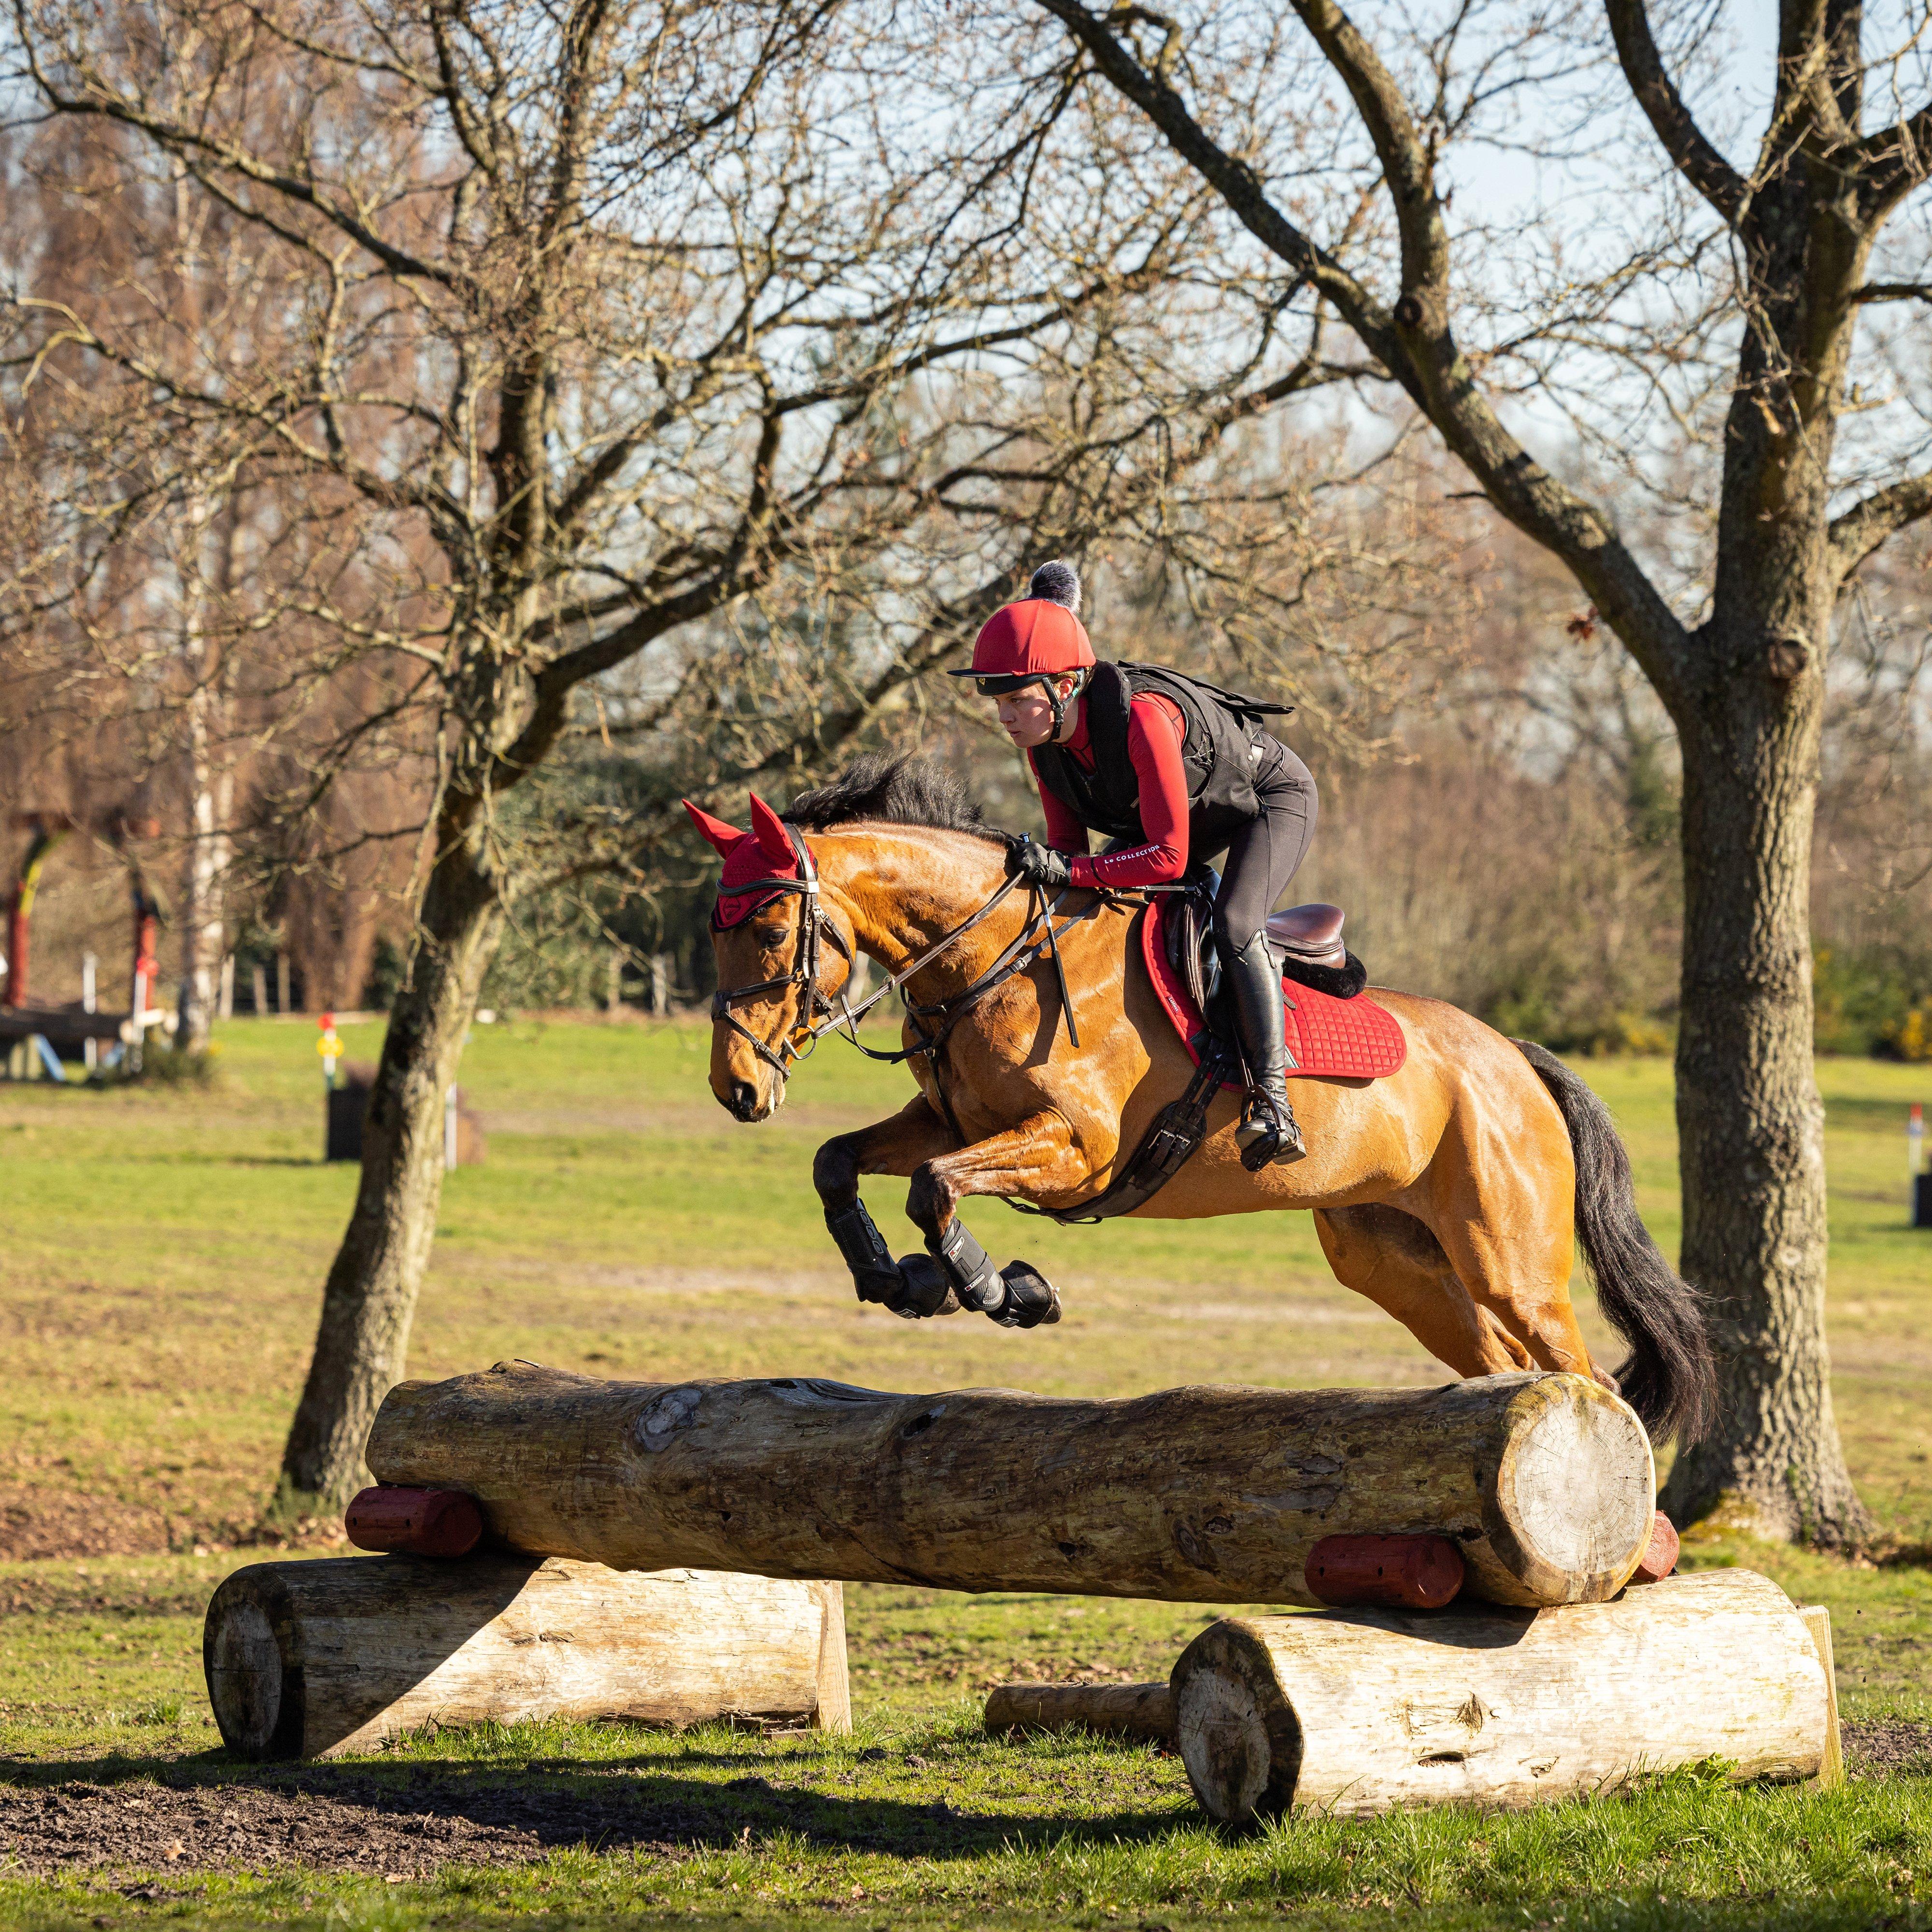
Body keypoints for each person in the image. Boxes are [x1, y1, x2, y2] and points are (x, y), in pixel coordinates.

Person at [949, 560, 1319, 1167]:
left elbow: (1166, 856)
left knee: (1234, 922)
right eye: (998, 702)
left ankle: (1273, 1102)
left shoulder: (1144, 718)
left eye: (1016, 699)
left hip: (1268, 800)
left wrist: (1069, 871)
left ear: (1065, 685)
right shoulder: (1044, 748)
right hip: (1189, 818)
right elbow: (1069, 852)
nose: (1004, 716)